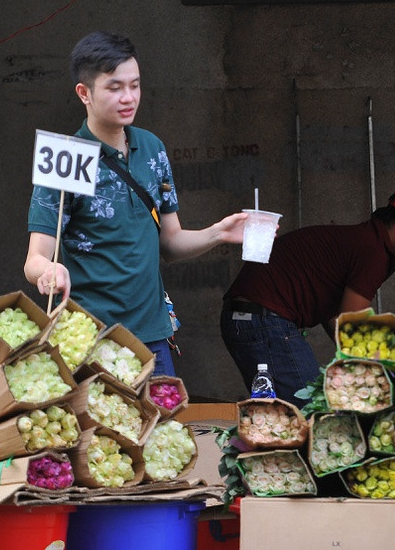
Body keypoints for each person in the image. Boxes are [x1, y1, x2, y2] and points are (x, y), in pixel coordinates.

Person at [25, 31, 247, 377]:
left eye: (135, 85)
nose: (128, 97)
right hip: (90, 337)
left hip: (153, 334)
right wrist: (47, 270)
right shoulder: (66, 157)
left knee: (162, 429)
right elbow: (34, 259)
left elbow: (171, 243)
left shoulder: (152, 148)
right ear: (84, 93)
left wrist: (218, 233)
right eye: (114, 88)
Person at [221, 187, 395, 405]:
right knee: (309, 413)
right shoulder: (373, 251)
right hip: (263, 319)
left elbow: (339, 322)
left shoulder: (366, 241)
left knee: (291, 415)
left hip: (248, 318)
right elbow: (352, 323)